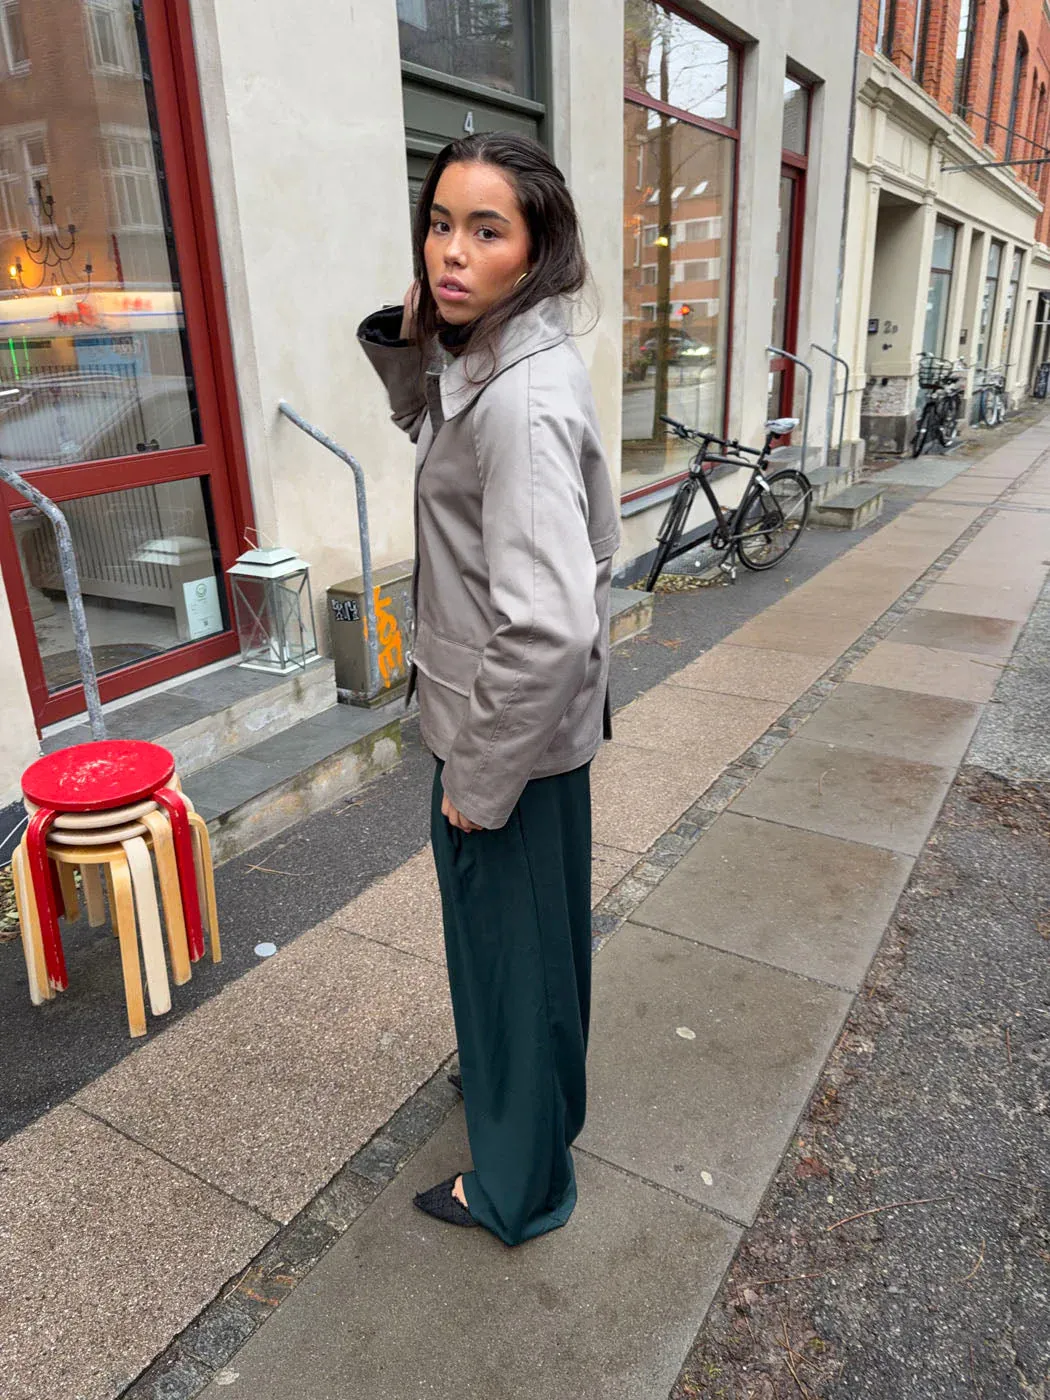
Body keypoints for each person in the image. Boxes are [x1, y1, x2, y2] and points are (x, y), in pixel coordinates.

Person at [358, 132, 619, 1246]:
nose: (452, 252)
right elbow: (431, 427)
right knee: (532, 951)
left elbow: (549, 621)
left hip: (501, 736)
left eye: (486, 229)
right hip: (518, 728)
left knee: (511, 959)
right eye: (440, 224)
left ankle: (518, 1186)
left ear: (536, 248)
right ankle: (533, 1102)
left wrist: (477, 778)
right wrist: (412, 338)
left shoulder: (520, 398)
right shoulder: (502, 354)